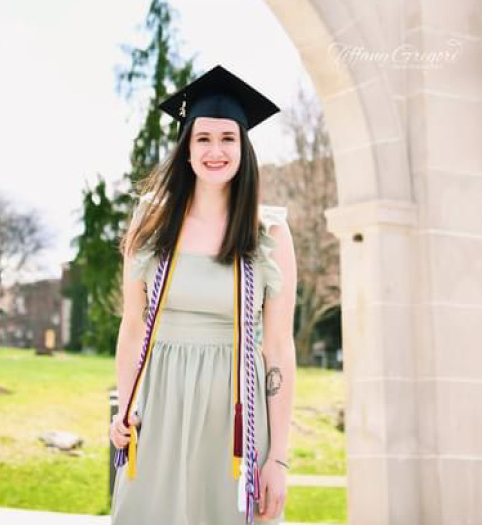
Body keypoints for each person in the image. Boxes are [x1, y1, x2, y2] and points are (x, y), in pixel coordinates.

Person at [109, 64, 297, 525]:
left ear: (243, 148)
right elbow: (133, 327)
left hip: (235, 409)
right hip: (159, 406)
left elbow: (276, 347)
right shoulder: (151, 225)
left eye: (228, 139)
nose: (216, 151)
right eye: (203, 139)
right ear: (187, 149)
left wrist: (278, 456)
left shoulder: (268, 232)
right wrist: (125, 404)